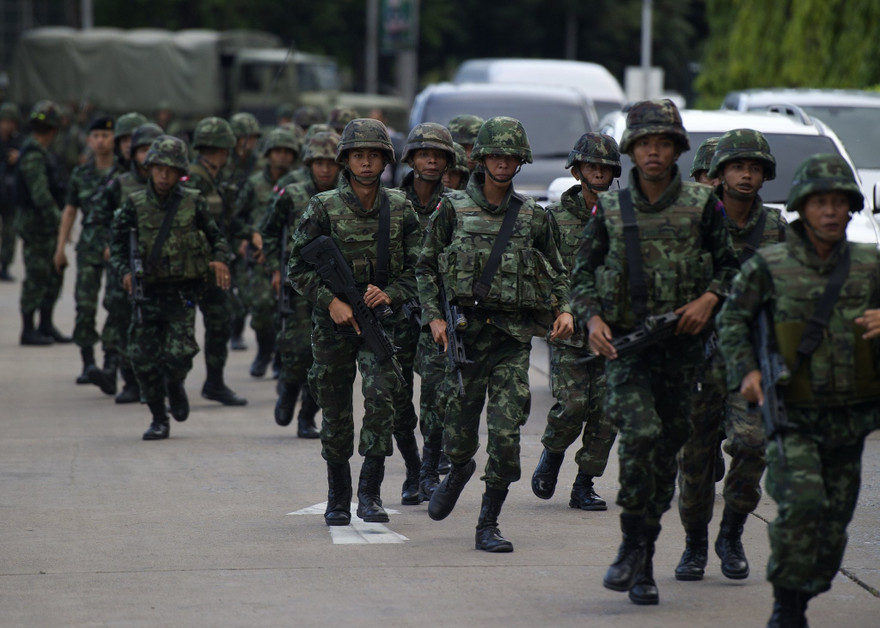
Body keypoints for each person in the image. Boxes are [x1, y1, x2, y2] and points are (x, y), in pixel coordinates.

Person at [570, 99, 739, 605]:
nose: (654, 152)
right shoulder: (612, 207)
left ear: (677, 149)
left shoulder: (703, 205)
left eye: (663, 143)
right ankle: (629, 546)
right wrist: (593, 318)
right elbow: (581, 276)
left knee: (665, 456)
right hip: (628, 351)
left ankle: (643, 556)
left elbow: (731, 269)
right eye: (645, 143)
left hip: (683, 355)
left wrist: (708, 299)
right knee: (640, 437)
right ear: (632, 149)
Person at [717, 153, 880, 627]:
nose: (830, 211)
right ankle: (786, 608)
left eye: (838, 203)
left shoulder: (871, 266)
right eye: (819, 202)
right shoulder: (771, 264)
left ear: (850, 208)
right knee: (801, 508)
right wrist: (745, 371)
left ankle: (803, 592)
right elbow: (732, 320)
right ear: (802, 208)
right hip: (793, 416)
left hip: (851, 421)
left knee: (832, 531)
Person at [417, 116, 573, 552]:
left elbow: (559, 273)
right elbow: (426, 266)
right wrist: (435, 317)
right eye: (495, 155)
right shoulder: (452, 209)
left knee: (506, 436)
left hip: (510, 340)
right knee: (459, 433)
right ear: (480, 159)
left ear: (520, 161)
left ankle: (489, 522)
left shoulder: (532, 217)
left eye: (510, 156)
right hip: (466, 338)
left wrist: (565, 310)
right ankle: (461, 467)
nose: (503, 163)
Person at [288, 118, 421, 526]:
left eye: (374, 155)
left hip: (381, 322)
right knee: (335, 409)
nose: (366, 163)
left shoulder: (400, 207)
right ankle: (338, 496)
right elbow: (297, 267)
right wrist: (331, 302)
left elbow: (421, 267)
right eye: (359, 155)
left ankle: (370, 493)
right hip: (333, 326)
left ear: (385, 160)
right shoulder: (322, 207)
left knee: (381, 401)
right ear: (346, 160)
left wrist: (392, 293)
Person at [675, 128, 787, 583]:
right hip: (698, 357)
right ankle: (695, 544)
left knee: (752, 444)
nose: (746, 174)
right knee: (695, 461)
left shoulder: (777, 227)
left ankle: (733, 532)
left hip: (751, 359)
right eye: (738, 166)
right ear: (719, 174)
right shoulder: (694, 220)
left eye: (755, 168)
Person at [110, 135, 232, 440]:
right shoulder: (134, 204)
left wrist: (219, 260)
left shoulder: (193, 200)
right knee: (142, 358)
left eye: (170, 170)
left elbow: (217, 237)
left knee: (179, 355)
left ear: (180, 172)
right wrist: (124, 271)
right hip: (147, 293)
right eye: (158, 169)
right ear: (149, 168)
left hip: (181, 293)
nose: (164, 175)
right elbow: (116, 243)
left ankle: (175, 385)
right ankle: (158, 417)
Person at [531, 132, 620, 511]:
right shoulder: (554, 219)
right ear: (578, 169)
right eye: (591, 165)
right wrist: (559, 309)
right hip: (569, 331)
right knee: (573, 406)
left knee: (607, 413)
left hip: (615, 332)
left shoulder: (624, 216)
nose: (597, 172)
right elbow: (545, 271)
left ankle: (585, 483)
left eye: (604, 166)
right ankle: (551, 456)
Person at [260, 130, 341, 437]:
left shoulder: (348, 195)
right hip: (297, 285)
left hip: (335, 288)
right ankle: (289, 391)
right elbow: (269, 231)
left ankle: (308, 415)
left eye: (331, 162)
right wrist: (274, 268)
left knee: (327, 360)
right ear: (308, 163)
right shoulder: (291, 193)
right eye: (318, 162)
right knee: (296, 351)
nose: (324, 168)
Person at [394, 122, 455, 504]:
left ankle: (431, 470)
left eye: (438, 154)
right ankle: (413, 470)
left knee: (435, 396)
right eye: (424, 153)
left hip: (437, 314)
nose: (431, 160)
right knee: (397, 401)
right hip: (396, 311)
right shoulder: (389, 201)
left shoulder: (456, 205)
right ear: (412, 158)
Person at [88, 122, 164, 403]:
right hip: (127, 264)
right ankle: (128, 379)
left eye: (152, 150)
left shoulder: (175, 184)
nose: (147, 156)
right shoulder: (120, 183)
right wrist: (109, 245)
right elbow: (95, 217)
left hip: (163, 267)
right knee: (123, 319)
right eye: (142, 150)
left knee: (158, 324)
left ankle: (158, 381)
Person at [54, 115, 123, 387]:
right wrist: (61, 248)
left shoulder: (123, 173)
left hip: (115, 250)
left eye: (106, 136)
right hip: (88, 249)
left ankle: (110, 362)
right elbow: (70, 210)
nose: (101, 141)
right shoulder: (80, 174)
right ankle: (88, 363)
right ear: (88, 140)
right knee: (85, 306)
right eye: (96, 136)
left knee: (115, 305)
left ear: (114, 139)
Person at [186, 116, 247, 406]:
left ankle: (214, 382)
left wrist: (250, 234)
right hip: (192, 268)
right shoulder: (193, 178)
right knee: (181, 333)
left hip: (217, 263)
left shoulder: (216, 178)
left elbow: (225, 221)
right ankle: (168, 386)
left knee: (219, 323)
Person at [233, 127, 300, 378]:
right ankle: (264, 351)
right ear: (268, 154)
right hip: (261, 258)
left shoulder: (299, 185)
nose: (282, 156)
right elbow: (236, 220)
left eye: (287, 152)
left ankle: (281, 359)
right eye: (277, 151)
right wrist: (252, 235)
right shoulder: (253, 184)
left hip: (291, 255)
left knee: (288, 310)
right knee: (261, 308)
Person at [15, 100, 70, 346]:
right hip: (38, 226)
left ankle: (45, 324)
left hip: (45, 226)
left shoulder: (39, 152)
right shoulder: (33, 155)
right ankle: (28, 330)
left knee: (53, 275)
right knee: (38, 275)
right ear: (54, 130)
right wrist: (60, 222)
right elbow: (40, 196)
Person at [0, 102, 23, 281]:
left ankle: (5, 265)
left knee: (9, 233)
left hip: (10, 195)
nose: (8, 125)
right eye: (5, 121)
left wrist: (19, 157)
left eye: (11, 122)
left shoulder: (19, 142)